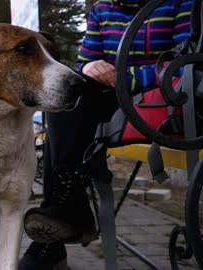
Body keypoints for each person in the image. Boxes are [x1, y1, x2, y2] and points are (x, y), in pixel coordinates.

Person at [18, 0, 193, 269]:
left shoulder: (179, 3)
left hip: (164, 101)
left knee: (67, 123)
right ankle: (66, 208)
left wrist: (123, 77)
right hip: (112, 100)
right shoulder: (102, 9)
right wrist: (88, 69)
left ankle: (54, 237)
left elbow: (185, 66)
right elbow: (86, 64)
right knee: (67, 95)